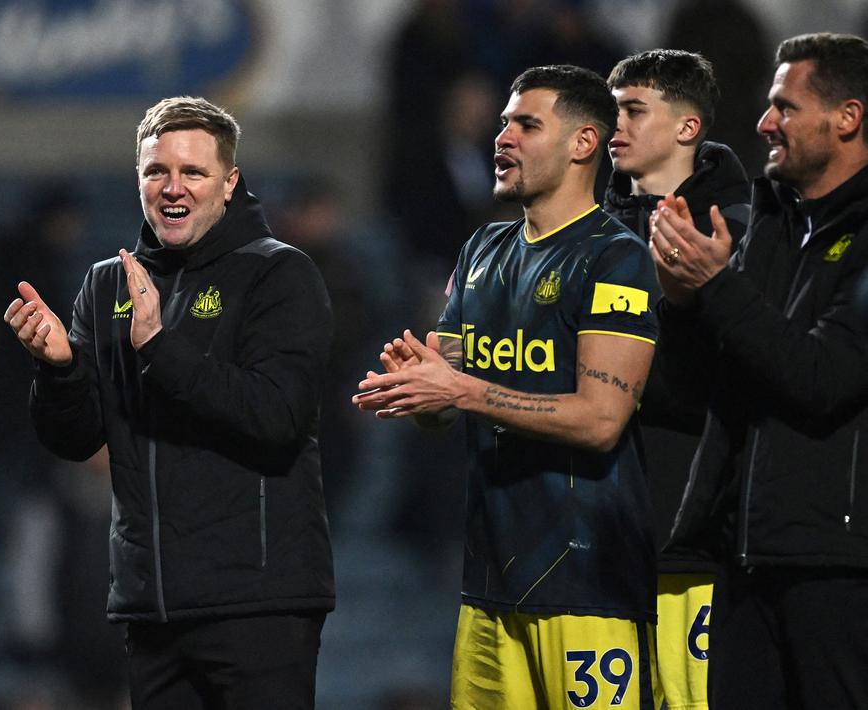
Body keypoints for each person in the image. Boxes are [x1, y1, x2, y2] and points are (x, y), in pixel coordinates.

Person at [4, 96, 335, 710]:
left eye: (193, 172)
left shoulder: (280, 275)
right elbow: (75, 439)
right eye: (157, 171)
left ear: (229, 183)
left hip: (258, 606)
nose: (172, 187)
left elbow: (277, 417)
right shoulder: (107, 283)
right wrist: (60, 369)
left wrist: (161, 347)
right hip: (151, 608)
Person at [354, 65, 662, 709]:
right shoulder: (481, 251)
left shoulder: (616, 257)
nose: (502, 137)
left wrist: (461, 391)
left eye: (526, 124)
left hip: (586, 586)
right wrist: (419, 386)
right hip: (489, 585)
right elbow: (444, 406)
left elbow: (601, 419)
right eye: (502, 123)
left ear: (583, 143)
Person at [650, 33, 868, 709]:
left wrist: (715, 287)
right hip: (744, 557)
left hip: (839, 569)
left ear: (847, 118)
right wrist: (683, 302)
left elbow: (823, 378)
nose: (764, 122)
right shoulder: (771, 222)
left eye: (785, 106)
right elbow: (708, 385)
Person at [602, 49, 750, 710]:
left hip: (698, 545)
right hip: (599, 540)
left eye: (633, 110)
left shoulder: (743, 233)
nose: (615, 126)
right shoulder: (586, 233)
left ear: (687, 127)